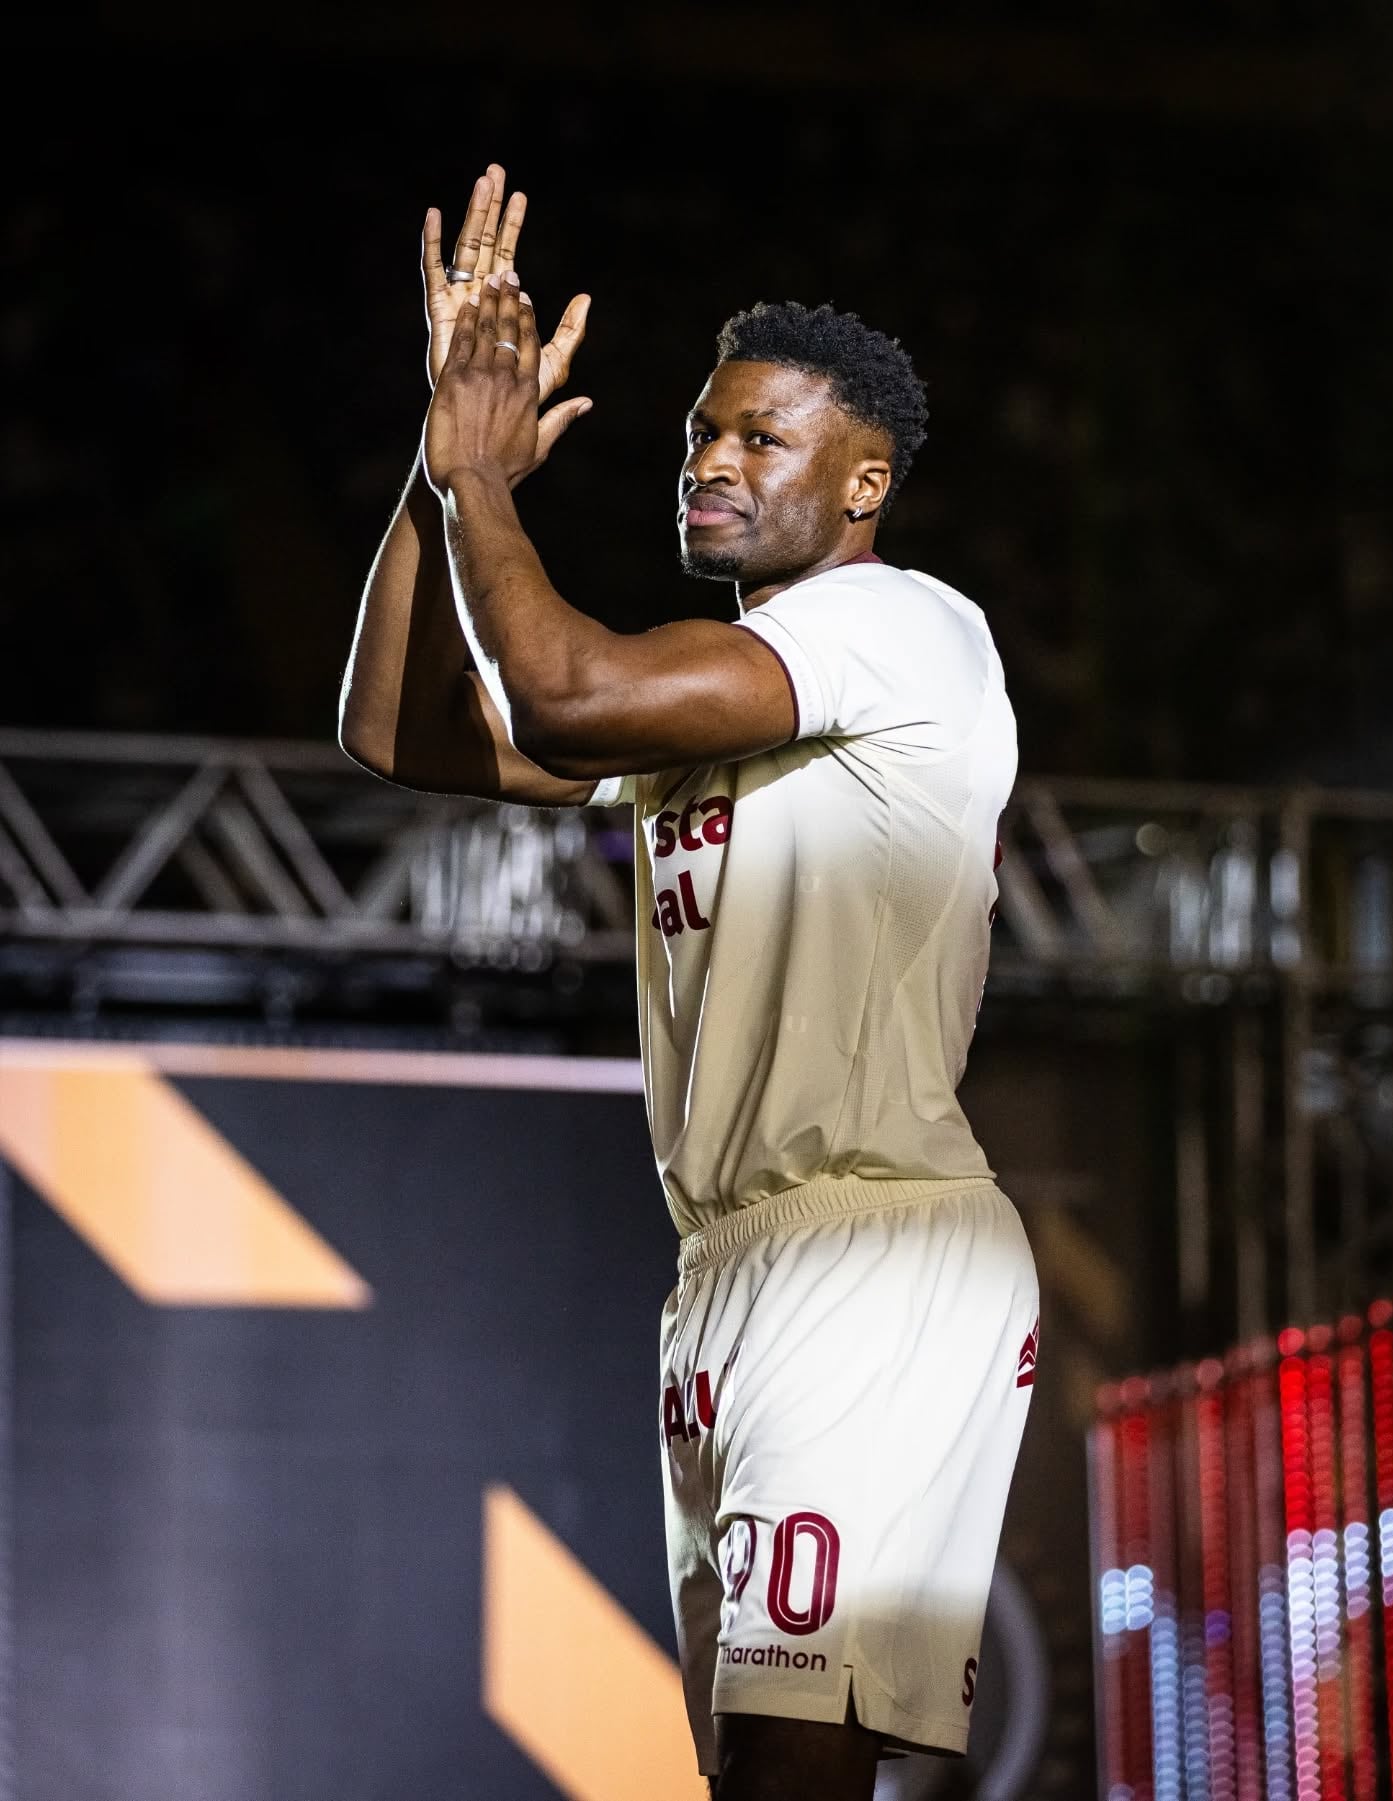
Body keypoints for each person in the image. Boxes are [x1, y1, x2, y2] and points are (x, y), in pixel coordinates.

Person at [340, 166, 1039, 1801]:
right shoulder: (723, 699)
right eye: (696, 437)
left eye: (761, 440)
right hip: (727, 1263)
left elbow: (565, 688)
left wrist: (487, 493)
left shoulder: (900, 628)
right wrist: (442, 477)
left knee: (790, 1773)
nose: (711, 462)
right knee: (764, 1774)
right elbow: (396, 729)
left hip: (876, 1244)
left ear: (864, 482)